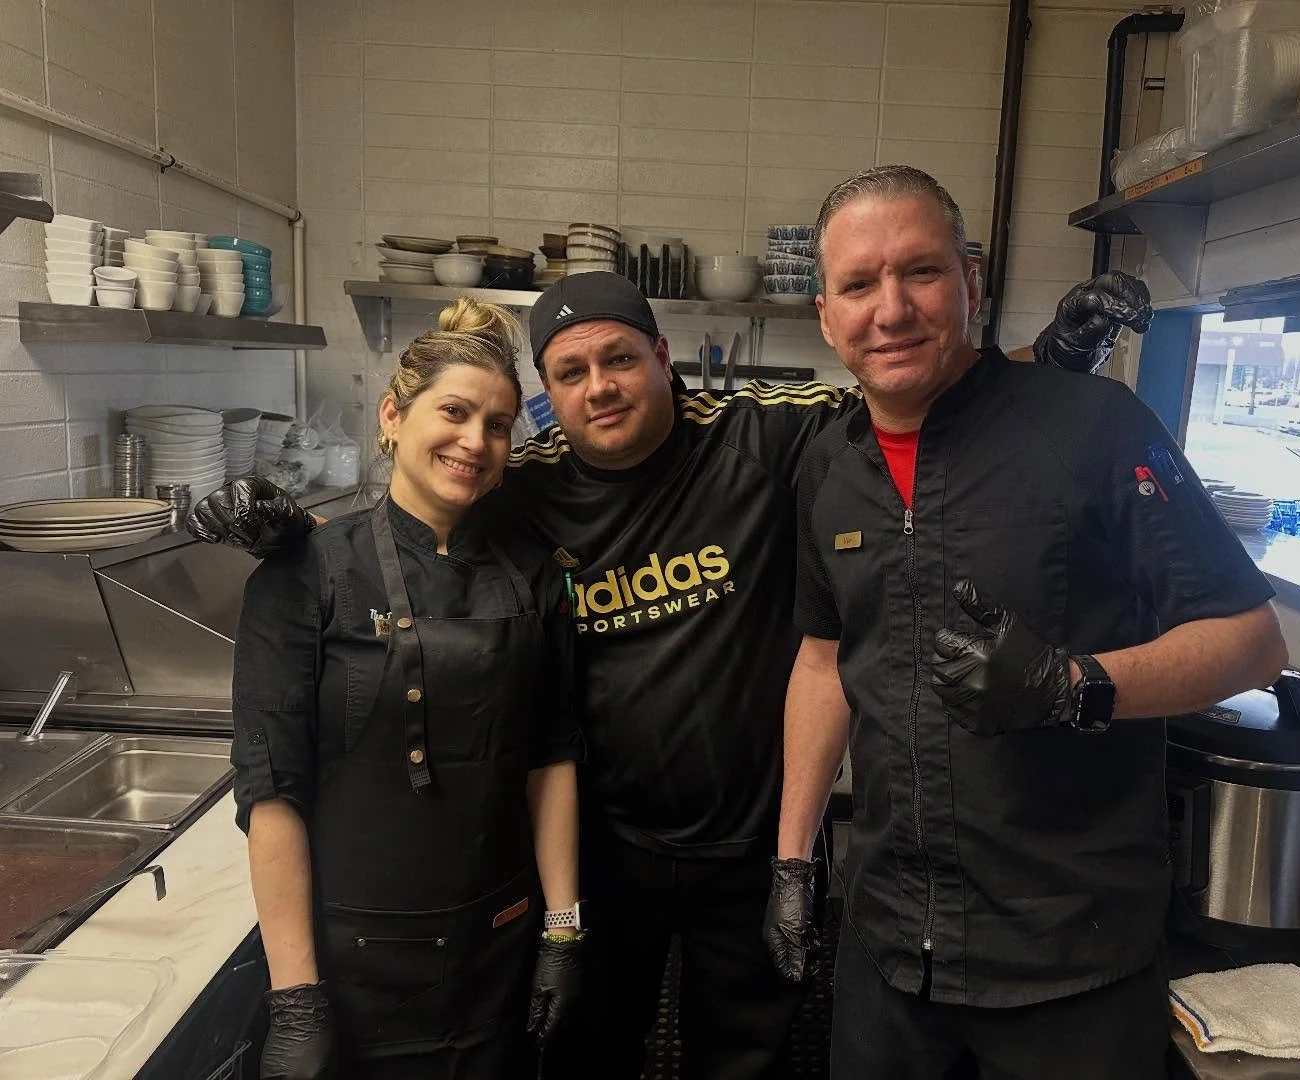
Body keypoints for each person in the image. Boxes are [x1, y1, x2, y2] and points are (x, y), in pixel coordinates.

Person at [193, 263, 1152, 1080]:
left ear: (664, 356)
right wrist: (301, 539)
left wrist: (1050, 360)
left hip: (751, 845)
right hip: (603, 846)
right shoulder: (525, 484)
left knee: (748, 1060)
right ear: (548, 392)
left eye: (619, 358)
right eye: (570, 373)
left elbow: (901, 393)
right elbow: (418, 515)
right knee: (586, 1055)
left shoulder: (759, 434)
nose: (600, 387)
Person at [764, 165, 1290, 1080]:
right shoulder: (828, 468)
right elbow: (822, 663)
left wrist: (1072, 685)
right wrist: (792, 862)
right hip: (890, 950)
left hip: (1072, 958)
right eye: (858, 284)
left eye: (920, 272)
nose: (891, 309)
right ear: (826, 315)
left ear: (969, 282)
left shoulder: (1095, 428)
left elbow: (1253, 645)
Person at [231, 302, 585, 1080]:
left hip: (497, 946)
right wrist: (297, 999)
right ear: (393, 416)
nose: (476, 441)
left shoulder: (533, 573)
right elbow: (271, 790)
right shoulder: (304, 575)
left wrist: (562, 930)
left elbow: (551, 756)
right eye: (454, 412)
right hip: (351, 968)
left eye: (498, 425)